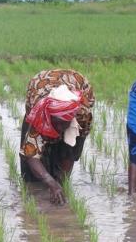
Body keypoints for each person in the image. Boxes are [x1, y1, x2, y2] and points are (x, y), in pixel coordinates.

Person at [20, 69, 95, 204]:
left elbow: (73, 150)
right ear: (49, 117)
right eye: (57, 123)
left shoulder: (82, 114)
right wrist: (50, 182)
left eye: (63, 124)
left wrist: (60, 181)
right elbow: (30, 154)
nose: (59, 128)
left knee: (65, 155)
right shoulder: (39, 113)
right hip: (40, 84)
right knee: (31, 176)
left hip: (78, 85)